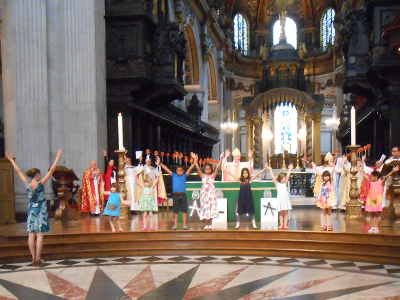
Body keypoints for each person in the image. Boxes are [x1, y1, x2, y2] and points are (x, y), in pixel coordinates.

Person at [6, 150, 63, 265]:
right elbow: (51, 171)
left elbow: (18, 171)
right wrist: (57, 157)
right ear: (36, 175)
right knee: (40, 235)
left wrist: (11, 160)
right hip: (41, 209)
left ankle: (33, 258)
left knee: (31, 234)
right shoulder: (40, 183)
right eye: (39, 173)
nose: (41, 175)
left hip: (32, 209)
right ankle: (38, 258)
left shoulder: (27, 183)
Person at [157, 154, 196, 230]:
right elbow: (166, 168)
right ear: (176, 171)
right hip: (175, 195)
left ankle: (184, 225)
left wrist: (194, 161)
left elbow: (191, 168)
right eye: (178, 170)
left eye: (181, 170)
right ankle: (175, 225)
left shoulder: (184, 175)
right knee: (175, 211)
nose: (179, 171)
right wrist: (160, 163)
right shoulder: (174, 175)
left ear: (183, 171)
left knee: (184, 211)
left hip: (183, 195)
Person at [362, 167, 399, 233]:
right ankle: (372, 227)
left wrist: (393, 170)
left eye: (372, 176)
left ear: (376, 177)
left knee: (376, 214)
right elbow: (365, 176)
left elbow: (387, 176)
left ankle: (376, 227)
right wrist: (361, 168)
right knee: (371, 214)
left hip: (377, 199)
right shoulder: (370, 182)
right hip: (371, 199)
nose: (371, 177)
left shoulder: (380, 182)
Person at [195, 152, 225, 230]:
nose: (207, 169)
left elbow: (218, 167)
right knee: (205, 208)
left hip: (211, 195)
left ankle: (210, 224)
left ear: (211, 169)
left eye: (209, 168)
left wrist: (221, 159)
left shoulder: (213, 175)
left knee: (211, 209)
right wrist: (195, 161)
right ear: (204, 169)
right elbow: (198, 168)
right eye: (206, 168)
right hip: (204, 195)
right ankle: (206, 224)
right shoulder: (202, 175)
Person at [233, 165, 268, 229]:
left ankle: (253, 223)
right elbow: (232, 175)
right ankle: (238, 223)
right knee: (239, 211)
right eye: (243, 173)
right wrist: (225, 170)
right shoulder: (240, 180)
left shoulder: (250, 179)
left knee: (251, 210)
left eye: (246, 173)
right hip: (241, 197)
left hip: (248, 197)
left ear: (248, 173)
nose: (245, 174)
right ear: (242, 174)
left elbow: (257, 174)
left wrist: (264, 169)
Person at [267, 164, 294, 230]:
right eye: (283, 178)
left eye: (284, 178)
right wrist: (270, 170)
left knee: (286, 213)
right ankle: (281, 224)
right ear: (280, 179)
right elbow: (273, 177)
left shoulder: (285, 183)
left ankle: (285, 225)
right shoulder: (277, 184)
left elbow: (288, 175)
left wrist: (290, 169)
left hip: (285, 200)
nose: (284, 179)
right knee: (281, 213)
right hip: (280, 200)